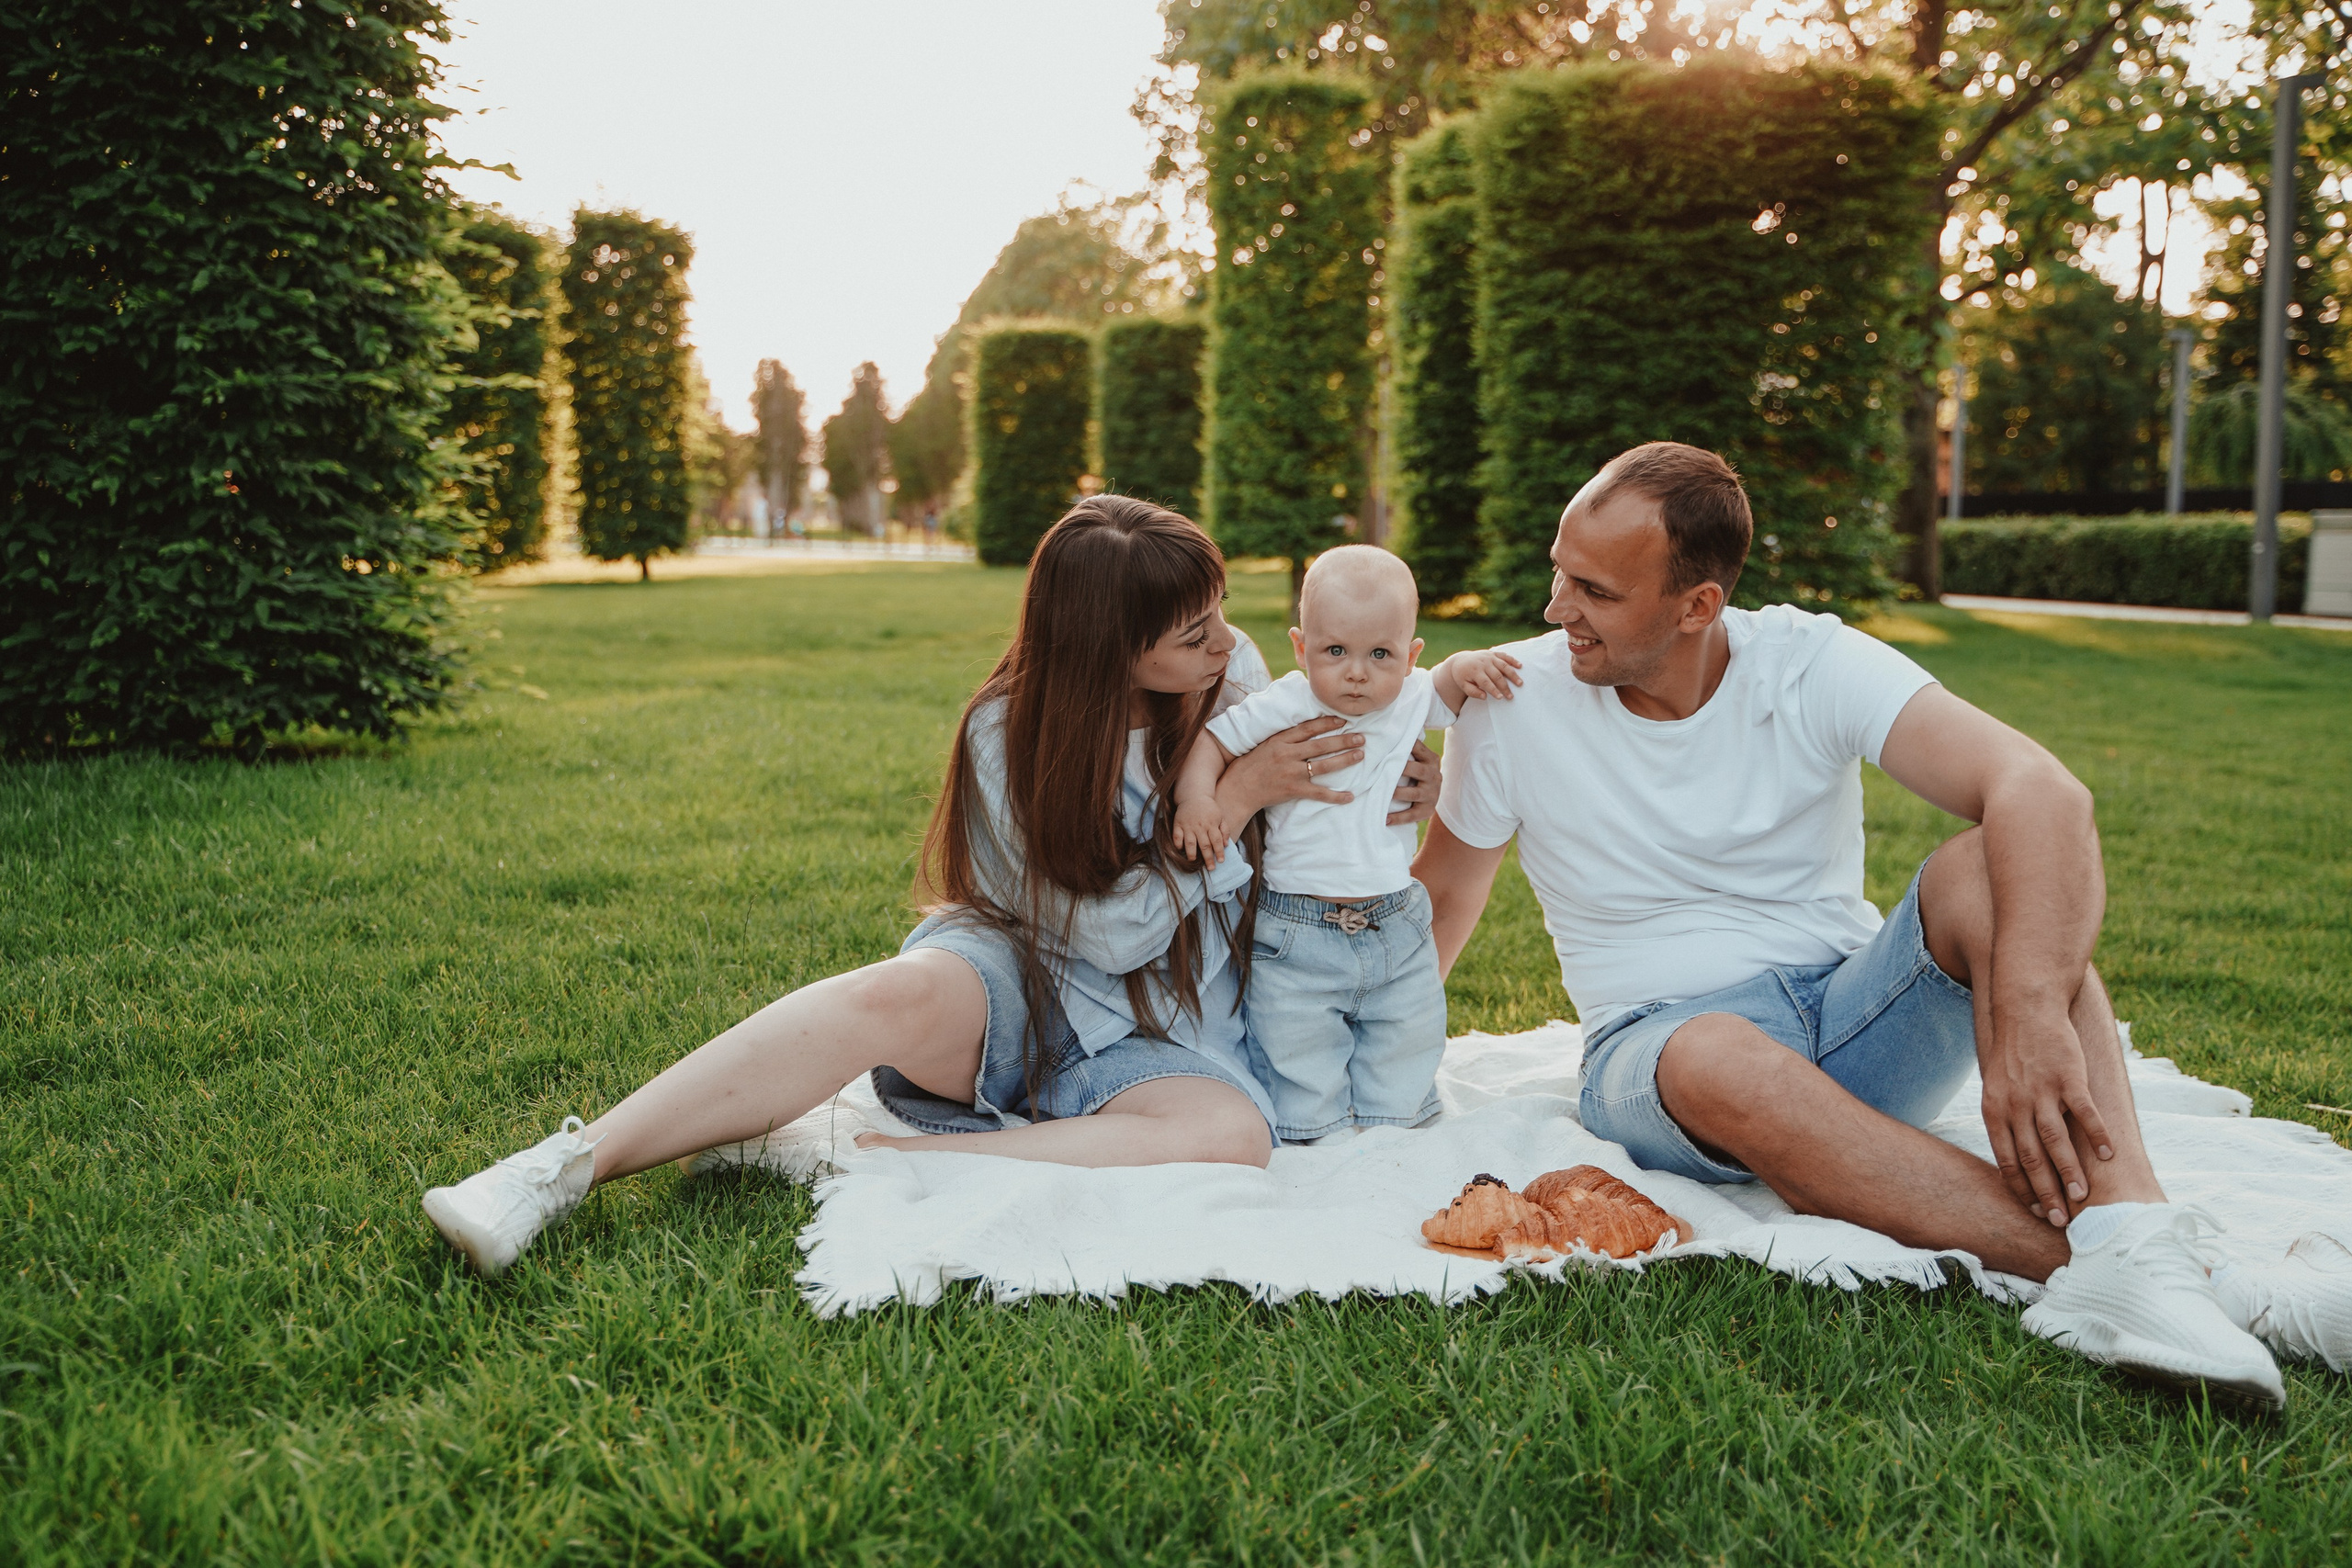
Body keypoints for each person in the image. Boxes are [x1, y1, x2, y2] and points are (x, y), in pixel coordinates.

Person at [1412, 441, 2348, 1409]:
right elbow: (1442, 897)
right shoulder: (1511, 699)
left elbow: (2041, 791)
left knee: (1997, 867)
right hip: (1661, 1051)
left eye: (1593, 591)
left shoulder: (1806, 660)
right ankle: (2193, 1281)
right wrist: (1380, 1072)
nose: (1555, 609)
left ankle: (2135, 1238)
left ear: (1697, 606)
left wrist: (2026, 1014)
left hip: (1851, 1015)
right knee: (1719, 1053)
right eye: (1559, 573)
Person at [423, 496, 1440, 1278]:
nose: (1227, 645)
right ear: (1107, 649)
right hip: (1032, 973)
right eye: (1193, 633)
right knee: (891, 991)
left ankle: (886, 1157)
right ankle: (562, 1168)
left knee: (1230, 1134)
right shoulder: (1007, 733)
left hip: (1165, 1020)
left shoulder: (1238, 675)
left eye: (1217, 615)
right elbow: (1098, 936)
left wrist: (1402, 788)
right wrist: (1245, 798)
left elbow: (1342, 796)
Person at [1172, 546, 1522, 1139]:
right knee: (1297, 1047)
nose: (1357, 672)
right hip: (1297, 927)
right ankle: (1318, 1137)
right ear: (1301, 647)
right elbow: (1213, 742)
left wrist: (1468, 665)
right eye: (1335, 651)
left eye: (1380, 654)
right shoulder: (1288, 701)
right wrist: (1197, 799)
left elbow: (1449, 686)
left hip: (1394, 919)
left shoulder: (1410, 696)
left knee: (1407, 1036)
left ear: (1410, 655)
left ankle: (1393, 1134)